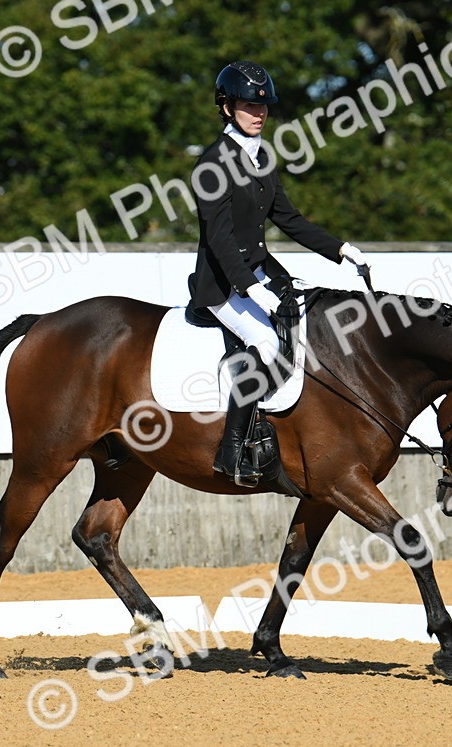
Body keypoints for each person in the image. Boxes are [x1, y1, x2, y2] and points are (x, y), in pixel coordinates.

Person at [189, 59, 371, 487]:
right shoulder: (211, 165)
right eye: (249, 107)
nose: (259, 114)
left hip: (262, 271)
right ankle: (232, 449)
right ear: (227, 108)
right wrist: (253, 290)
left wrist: (340, 249)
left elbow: (289, 219)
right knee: (267, 340)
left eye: (264, 107)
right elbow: (220, 240)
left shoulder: (262, 156)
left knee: (307, 321)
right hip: (221, 284)